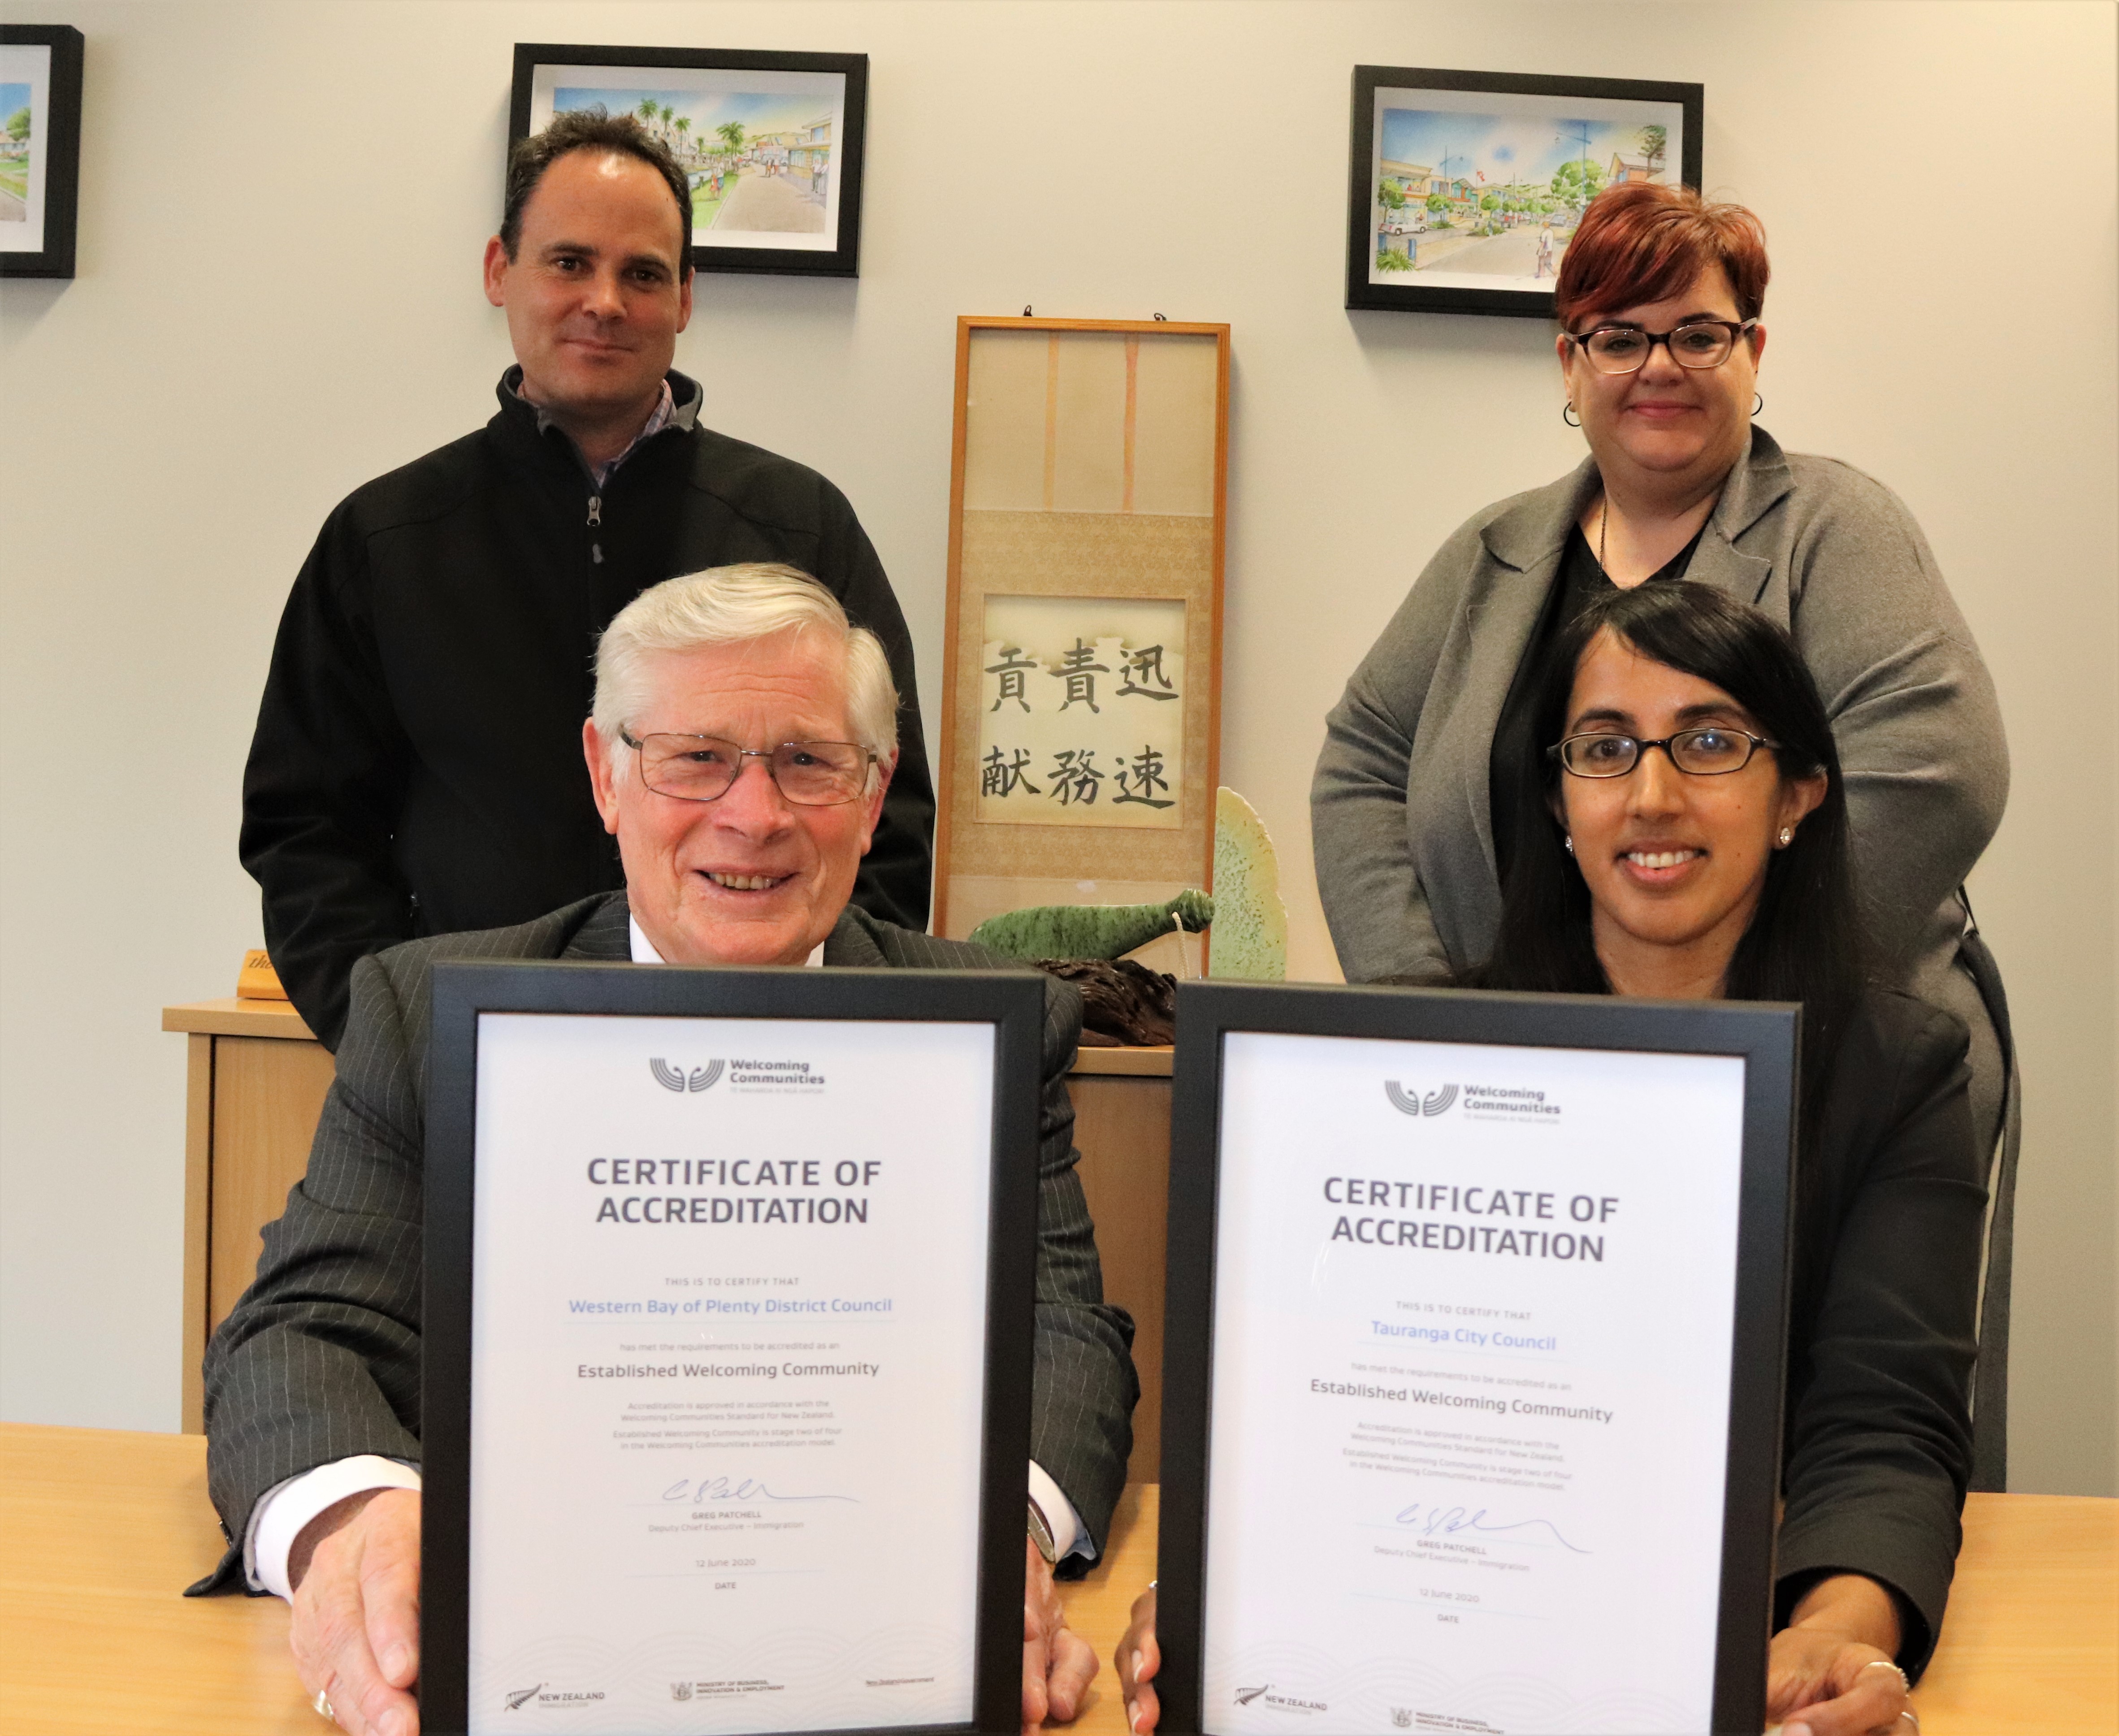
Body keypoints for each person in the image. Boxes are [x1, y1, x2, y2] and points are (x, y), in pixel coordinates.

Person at [197, 566, 1135, 1736]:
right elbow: (303, 1333)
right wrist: (361, 1524)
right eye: (696, 756)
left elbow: (1061, 1338)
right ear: (605, 772)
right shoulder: (426, 1007)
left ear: (876, 784)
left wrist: (1006, 1539)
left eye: (808, 760)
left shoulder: (994, 1023)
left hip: (867, 1664)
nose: (754, 815)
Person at [1122, 583, 1982, 1736]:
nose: (1654, 794)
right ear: (1559, 797)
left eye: (1713, 742)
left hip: (1700, 1641)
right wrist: (1237, 1573)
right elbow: (1321, 1391)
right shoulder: (1419, 1070)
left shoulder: (1900, 1069)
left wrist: (1839, 1624)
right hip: (1430, 1646)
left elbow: (1885, 1422)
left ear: (1799, 797)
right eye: (1606, 746)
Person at [1311, 179, 2011, 1164]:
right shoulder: (1494, 550)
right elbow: (1364, 761)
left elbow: (1941, 769)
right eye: (1620, 337)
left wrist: (1718, 1005)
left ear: (1752, 351)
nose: (1659, 367)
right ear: (1571, 363)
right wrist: (1431, 1004)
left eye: (1697, 334)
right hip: (1531, 1086)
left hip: (1820, 1088)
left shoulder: (1837, 527)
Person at [242, 109, 936, 1054]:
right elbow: (307, 833)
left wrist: (821, 1031)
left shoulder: (799, 524)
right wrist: (401, 1042)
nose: (605, 300)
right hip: (468, 1060)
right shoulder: (386, 535)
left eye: (643, 273)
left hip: (771, 1062)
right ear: (500, 271)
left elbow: (881, 811)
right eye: (570, 262)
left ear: (686, 297)